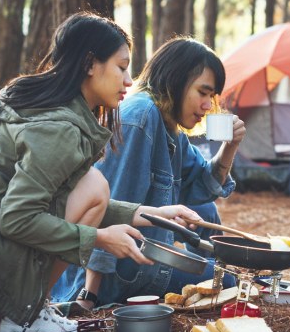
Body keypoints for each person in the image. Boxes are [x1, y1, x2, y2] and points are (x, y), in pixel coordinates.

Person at [0, 12, 203, 332]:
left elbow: (65, 200)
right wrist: (99, 238)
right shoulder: (60, 128)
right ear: (89, 64)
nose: (129, 80)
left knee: (91, 188)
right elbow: (17, 218)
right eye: (121, 66)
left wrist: (156, 215)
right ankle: (27, 318)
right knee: (95, 185)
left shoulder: (36, 105)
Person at [52, 37, 243, 309]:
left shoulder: (169, 125)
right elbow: (106, 207)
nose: (206, 106)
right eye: (202, 93)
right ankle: (218, 272)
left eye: (211, 97)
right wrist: (89, 296)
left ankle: (216, 268)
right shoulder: (140, 119)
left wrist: (229, 147)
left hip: (142, 260)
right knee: (227, 281)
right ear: (176, 80)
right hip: (118, 275)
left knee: (206, 211)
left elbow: (203, 187)